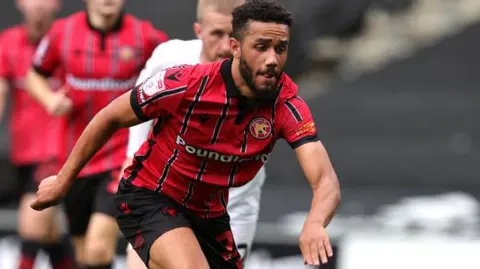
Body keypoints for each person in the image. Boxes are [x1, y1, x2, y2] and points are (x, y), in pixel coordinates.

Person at [30, 0, 341, 268]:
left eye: (280, 49)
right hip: (150, 196)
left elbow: (325, 180)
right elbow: (111, 115)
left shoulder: (287, 104)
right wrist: (63, 180)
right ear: (235, 47)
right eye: (261, 47)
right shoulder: (184, 80)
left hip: (213, 212)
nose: (272, 59)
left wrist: (314, 222)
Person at [122, 0, 266, 268]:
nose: (226, 46)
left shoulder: (263, 80)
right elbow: (134, 113)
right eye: (217, 35)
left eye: (234, 37)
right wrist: (131, 162)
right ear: (198, 30)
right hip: (163, 197)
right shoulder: (169, 60)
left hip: (232, 206)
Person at [25, 0, 168, 268]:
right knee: (83, 253)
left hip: (122, 158)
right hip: (76, 160)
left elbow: (176, 72)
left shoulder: (147, 37)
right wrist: (50, 100)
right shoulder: (62, 32)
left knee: (98, 247)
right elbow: (34, 75)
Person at [0, 1, 75, 269]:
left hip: (59, 151)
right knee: (50, 233)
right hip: (23, 153)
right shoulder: (7, 42)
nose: (39, 5)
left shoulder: (69, 41)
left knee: (32, 224)